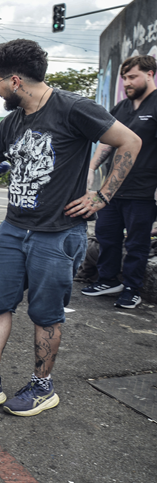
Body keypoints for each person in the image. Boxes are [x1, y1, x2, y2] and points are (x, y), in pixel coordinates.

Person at [0, 38, 141, 416]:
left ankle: (42, 387)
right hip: (14, 229)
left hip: (58, 232)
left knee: (46, 315)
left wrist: (102, 197)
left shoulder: (73, 108)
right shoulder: (12, 122)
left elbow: (129, 141)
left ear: (14, 80)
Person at [82, 55, 157, 309]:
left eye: (132, 76)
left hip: (144, 191)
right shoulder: (122, 108)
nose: (127, 82)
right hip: (112, 189)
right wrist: (92, 168)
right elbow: (106, 141)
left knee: (137, 242)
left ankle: (132, 288)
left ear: (150, 74)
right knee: (106, 235)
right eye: (124, 77)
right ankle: (107, 280)